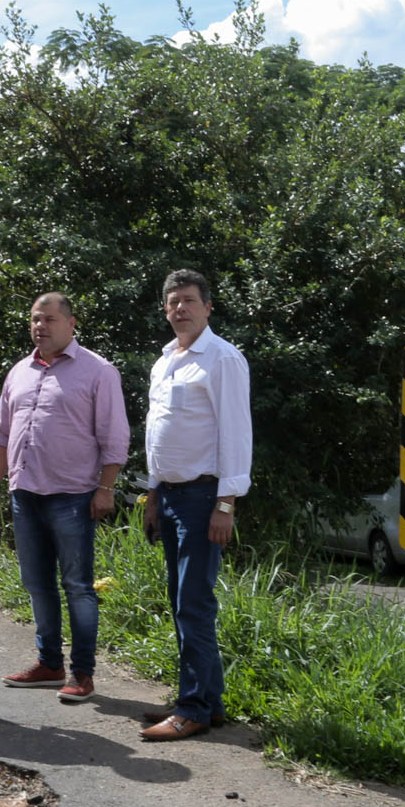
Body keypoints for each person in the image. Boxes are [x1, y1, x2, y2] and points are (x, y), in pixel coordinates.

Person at [0, 293, 129, 703]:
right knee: (37, 583)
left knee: (78, 586)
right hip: (25, 494)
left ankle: (82, 673)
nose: (40, 326)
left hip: (74, 497)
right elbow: (0, 433)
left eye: (49, 319)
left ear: (71, 323)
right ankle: (49, 664)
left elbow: (115, 437)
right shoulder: (20, 371)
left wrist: (106, 488)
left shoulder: (98, 371)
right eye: (35, 319)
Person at [139, 269, 251, 741]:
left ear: (208, 307)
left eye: (188, 300)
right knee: (182, 600)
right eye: (172, 302)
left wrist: (226, 503)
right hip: (170, 495)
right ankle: (209, 700)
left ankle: (194, 708)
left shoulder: (222, 358)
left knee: (193, 603)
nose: (179, 308)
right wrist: (152, 494)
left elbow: (236, 432)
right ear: (164, 310)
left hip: (204, 498)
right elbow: (157, 433)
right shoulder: (165, 361)